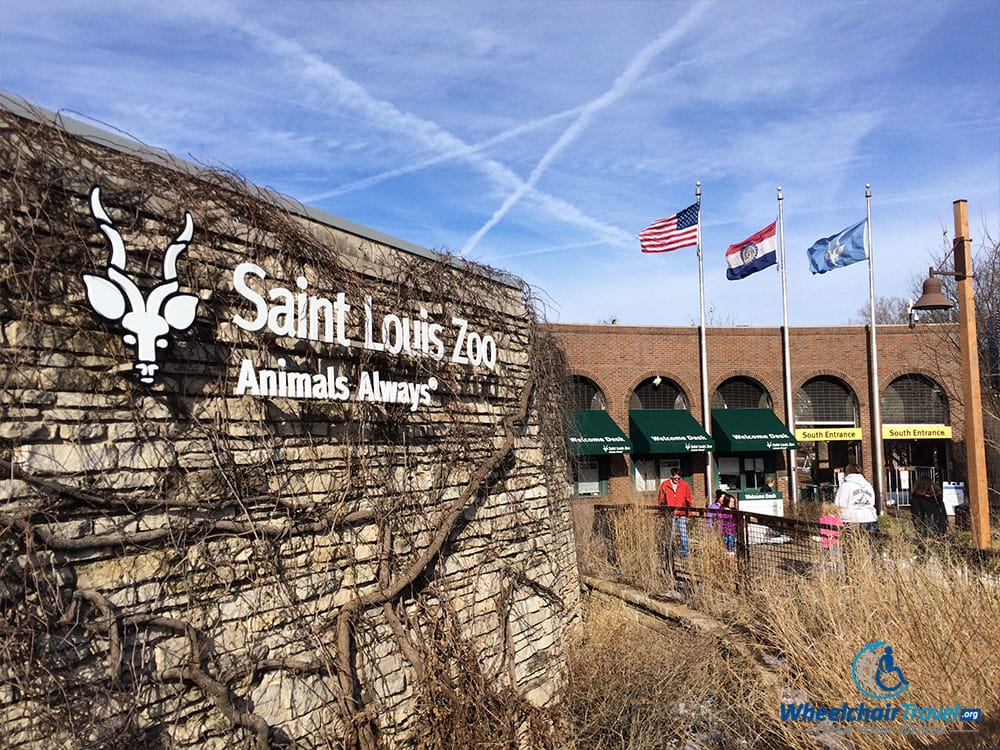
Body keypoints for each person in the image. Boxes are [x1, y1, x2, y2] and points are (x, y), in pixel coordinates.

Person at [834, 463, 878, 531]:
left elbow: (839, 505)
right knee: (870, 541)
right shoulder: (868, 486)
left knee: (851, 541)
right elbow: (872, 502)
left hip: (851, 520)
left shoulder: (845, 486)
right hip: (870, 518)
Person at [658, 468, 692, 556]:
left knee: (683, 532)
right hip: (670, 513)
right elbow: (661, 499)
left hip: (682, 512)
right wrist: (661, 512)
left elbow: (688, 499)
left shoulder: (684, 485)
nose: (677, 480)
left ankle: (685, 551)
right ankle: (668, 550)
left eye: (678, 478)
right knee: (669, 533)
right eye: (675, 478)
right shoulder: (665, 485)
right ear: (671, 476)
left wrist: (689, 513)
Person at [818, 502, 843, 571]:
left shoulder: (822, 519)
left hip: (825, 543)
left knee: (827, 558)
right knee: (837, 558)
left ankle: (829, 572)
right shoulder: (837, 519)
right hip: (836, 542)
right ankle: (838, 571)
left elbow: (822, 531)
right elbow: (841, 530)